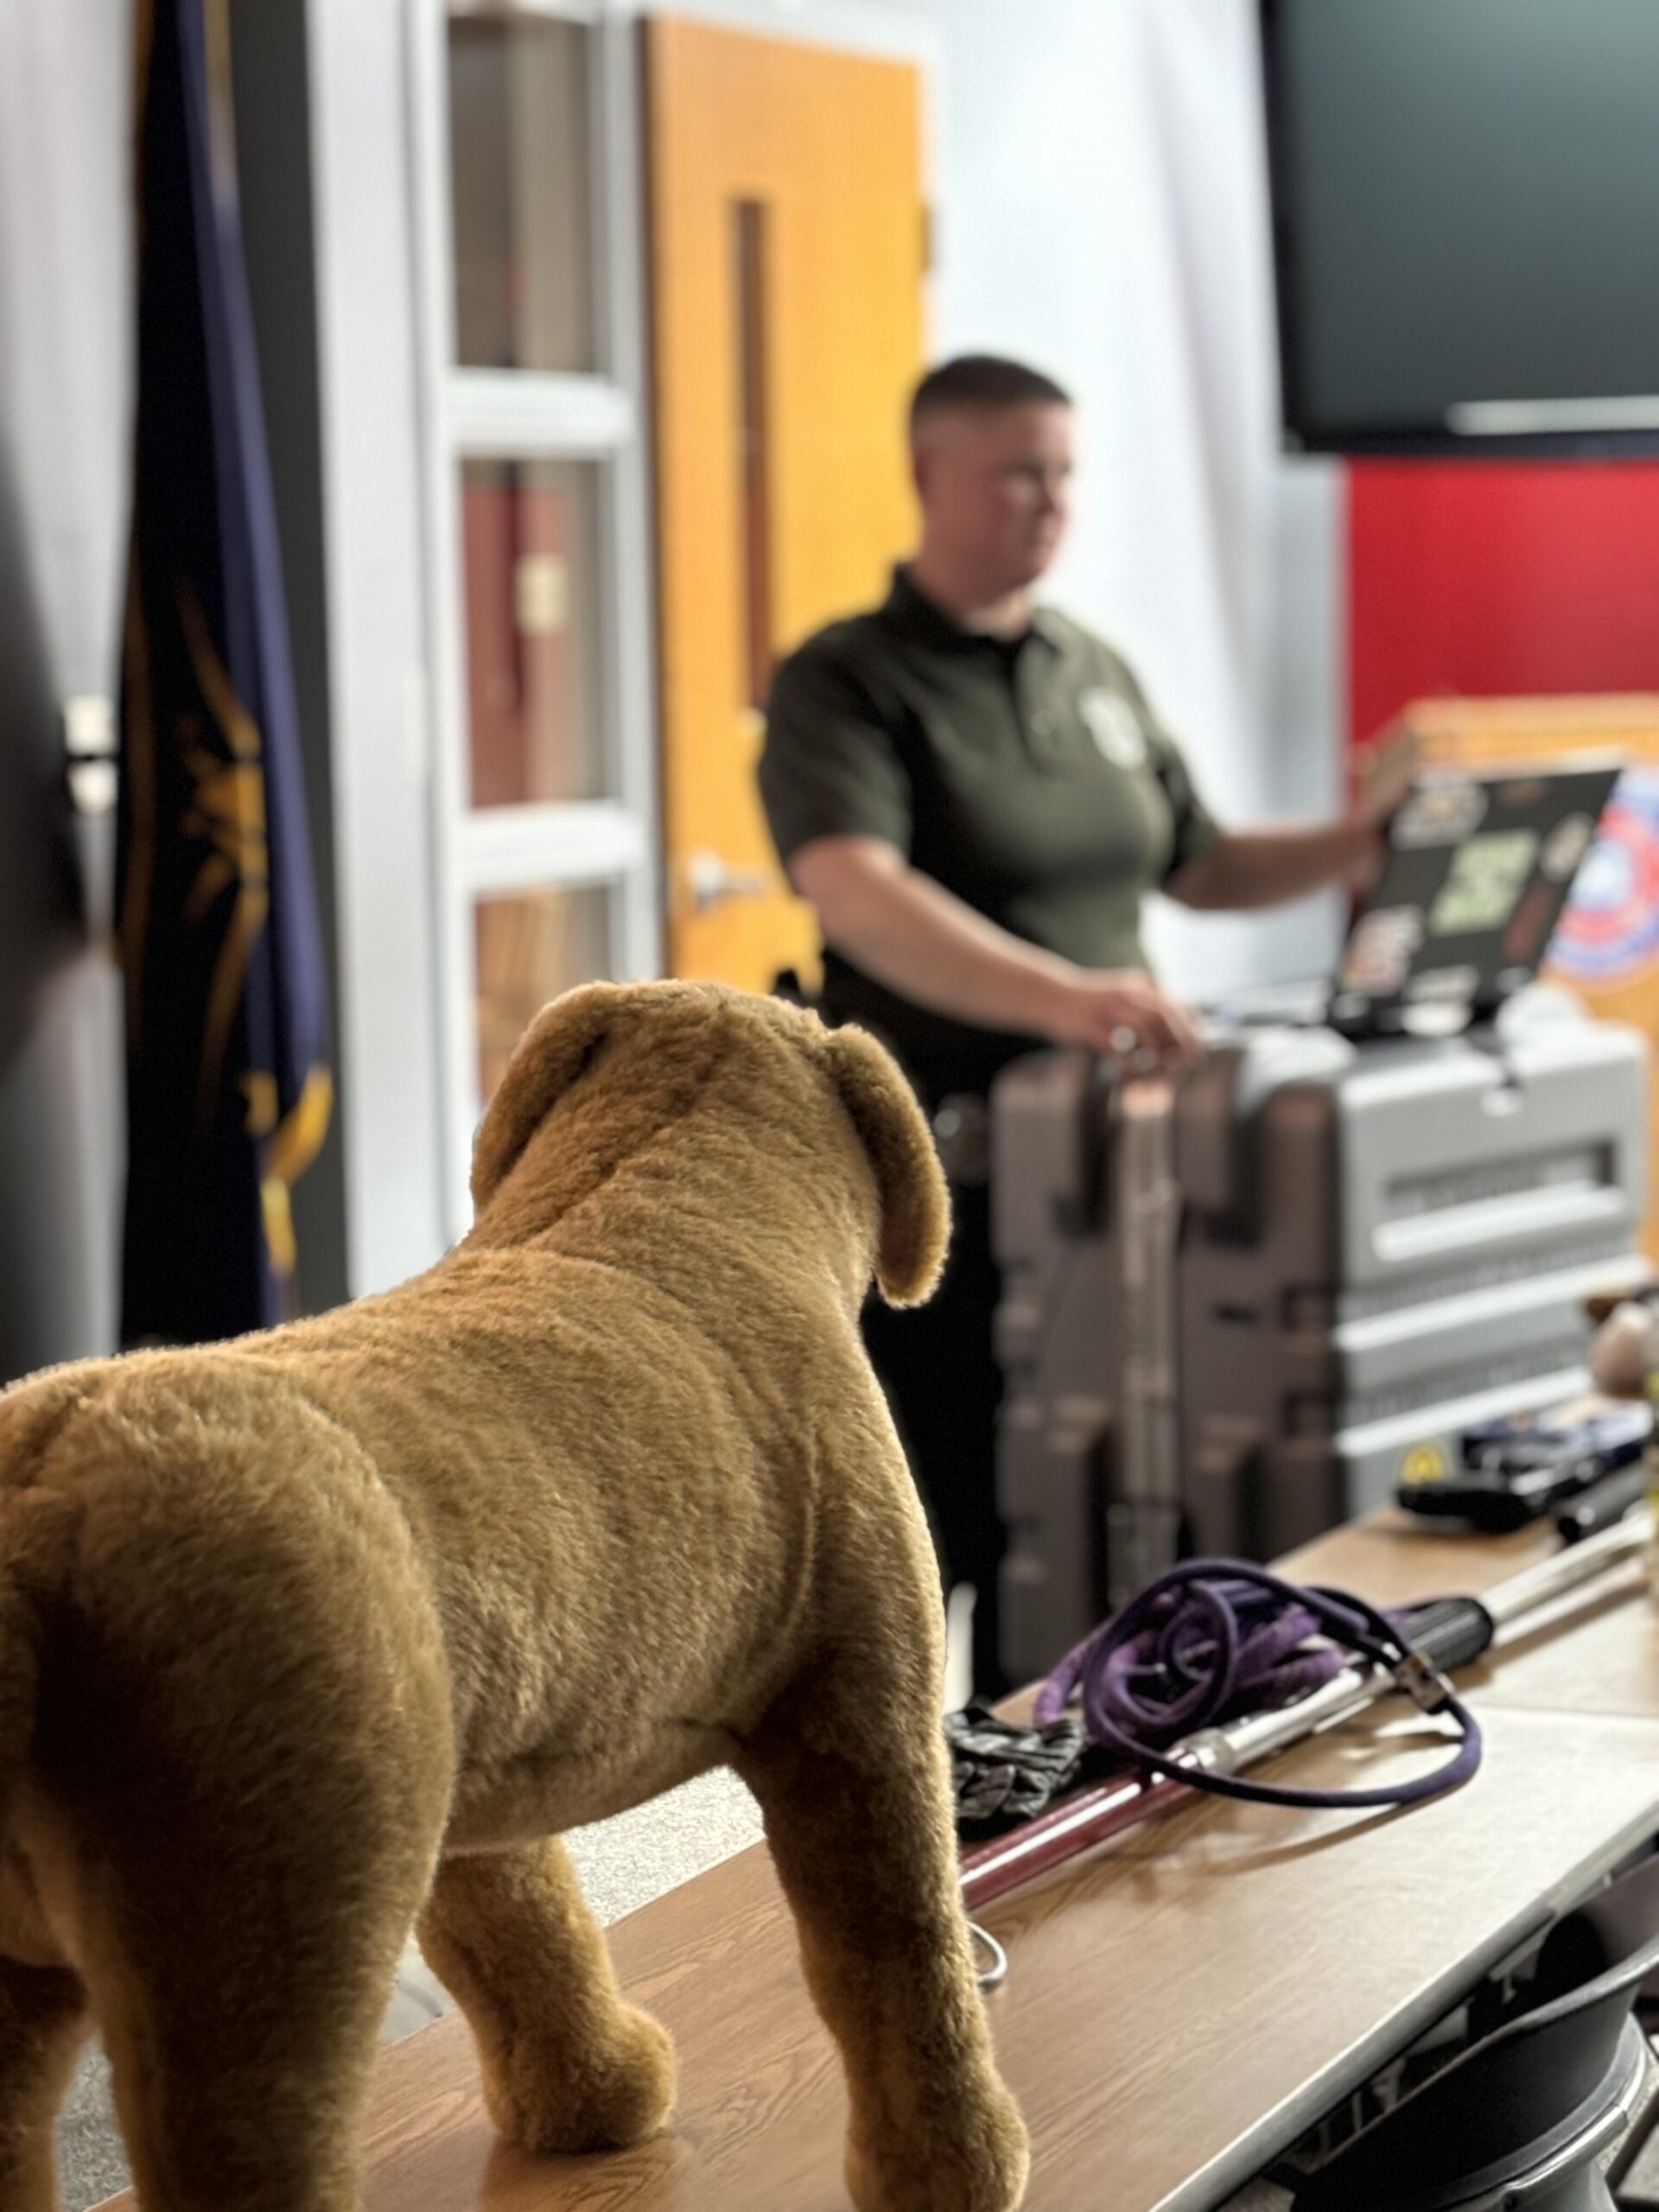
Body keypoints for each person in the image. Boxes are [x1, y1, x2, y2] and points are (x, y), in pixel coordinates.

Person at [758, 353, 1413, 1694]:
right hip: (944, 1190)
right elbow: (858, 893)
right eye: (1015, 473)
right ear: (929, 473)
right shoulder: (850, 679)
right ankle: (919, 1806)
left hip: (1125, 1174)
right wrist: (1069, 998)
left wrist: (1367, 844)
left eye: (1062, 473)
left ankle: (1083, 1754)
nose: (1048, 502)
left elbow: (1202, 861)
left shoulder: (1090, 669)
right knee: (946, 1516)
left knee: (1103, 1501)